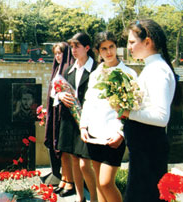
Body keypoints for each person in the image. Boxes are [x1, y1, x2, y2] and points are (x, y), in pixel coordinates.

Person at [118, 19, 178, 202]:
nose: (128, 47)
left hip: (149, 152)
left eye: (131, 42)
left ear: (147, 42)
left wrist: (128, 113)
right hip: (144, 150)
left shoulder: (158, 70)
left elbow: (161, 117)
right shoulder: (152, 67)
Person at [80, 31, 137, 202]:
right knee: (99, 183)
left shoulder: (128, 73)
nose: (109, 52)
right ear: (98, 51)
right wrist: (84, 126)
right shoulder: (96, 73)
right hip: (94, 133)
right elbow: (88, 101)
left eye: (111, 46)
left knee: (106, 183)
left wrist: (121, 133)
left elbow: (132, 108)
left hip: (114, 135)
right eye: (104, 48)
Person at [58, 32, 97, 202]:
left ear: (87, 48)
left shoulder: (96, 69)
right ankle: (80, 198)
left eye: (77, 46)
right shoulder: (68, 70)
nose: (73, 50)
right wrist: (59, 96)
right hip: (70, 120)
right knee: (74, 160)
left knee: (84, 163)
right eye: (71, 46)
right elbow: (60, 90)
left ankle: (95, 198)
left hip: (89, 121)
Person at [43, 42, 75, 196]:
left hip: (65, 115)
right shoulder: (56, 69)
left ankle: (70, 181)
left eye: (60, 53)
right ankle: (64, 177)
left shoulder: (68, 70)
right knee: (59, 148)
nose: (57, 56)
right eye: (55, 53)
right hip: (55, 112)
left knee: (65, 149)